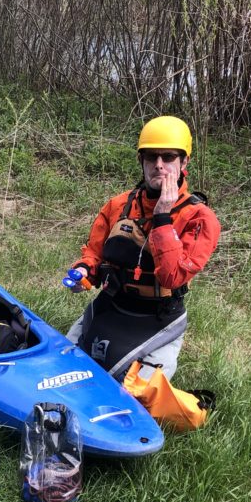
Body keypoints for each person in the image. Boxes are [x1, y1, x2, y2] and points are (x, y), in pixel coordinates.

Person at [65, 116, 220, 381]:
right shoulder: (118, 206)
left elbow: (173, 277)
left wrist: (162, 218)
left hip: (159, 318)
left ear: (184, 163)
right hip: (112, 305)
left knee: (141, 396)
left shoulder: (200, 218)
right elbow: (94, 252)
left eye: (168, 157)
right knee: (62, 368)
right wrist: (84, 272)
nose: (159, 165)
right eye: (150, 157)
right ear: (142, 162)